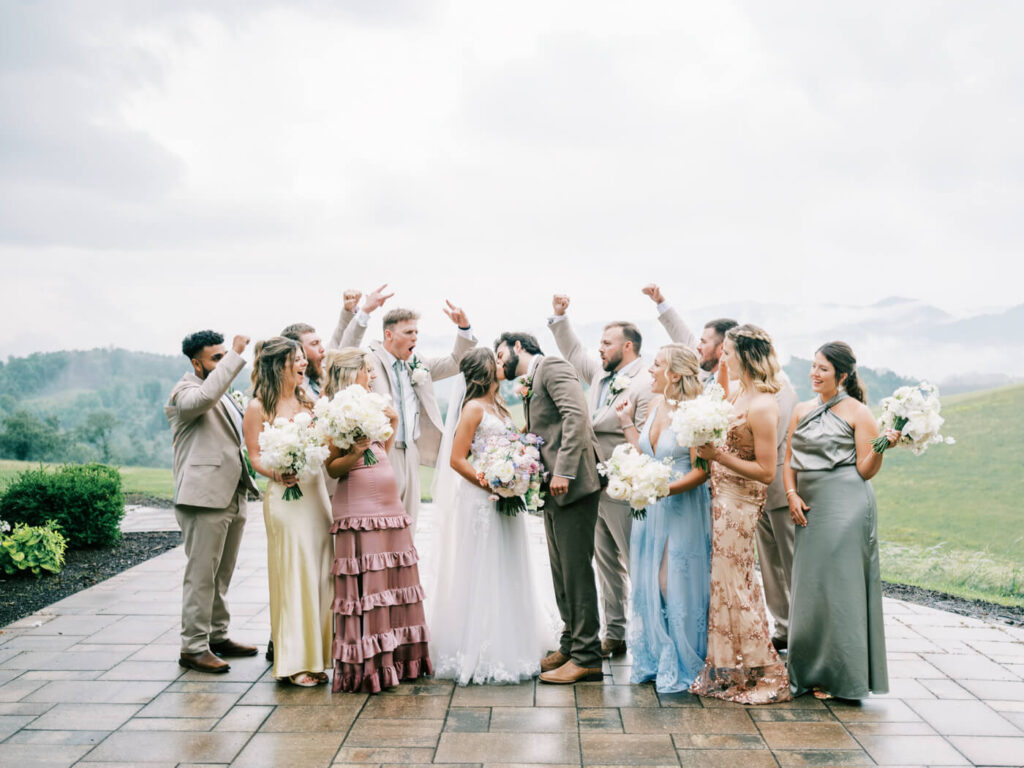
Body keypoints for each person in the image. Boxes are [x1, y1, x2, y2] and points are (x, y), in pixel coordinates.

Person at [427, 347, 558, 684]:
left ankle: (513, 638)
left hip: (505, 497)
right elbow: (457, 459)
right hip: (482, 500)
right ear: (483, 373)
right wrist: (491, 484)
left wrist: (519, 468)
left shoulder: (498, 405)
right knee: (485, 567)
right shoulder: (472, 409)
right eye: (496, 362)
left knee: (509, 565)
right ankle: (484, 647)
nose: (503, 365)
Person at [784, 342, 895, 700]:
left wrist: (880, 449)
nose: (814, 374)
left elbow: (865, 469)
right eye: (813, 366)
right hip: (809, 505)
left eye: (823, 369)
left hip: (847, 506)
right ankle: (807, 671)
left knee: (840, 590)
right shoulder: (801, 409)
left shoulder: (858, 412)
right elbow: (788, 461)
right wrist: (791, 494)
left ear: (842, 375)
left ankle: (839, 676)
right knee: (810, 588)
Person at [689, 324, 791, 704]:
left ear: (745, 356)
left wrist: (719, 456)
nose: (723, 358)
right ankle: (735, 667)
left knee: (736, 584)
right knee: (726, 584)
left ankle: (764, 668)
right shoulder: (733, 395)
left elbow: (767, 471)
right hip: (720, 496)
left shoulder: (764, 404)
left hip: (741, 503)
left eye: (728, 352)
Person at [547, 294, 653, 658]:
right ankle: (616, 633)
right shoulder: (600, 376)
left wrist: (628, 478)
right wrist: (560, 318)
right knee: (605, 564)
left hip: (623, 486)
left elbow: (644, 435)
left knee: (634, 560)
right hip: (593, 484)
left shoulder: (645, 382)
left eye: (607, 343)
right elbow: (575, 353)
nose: (600, 348)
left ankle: (648, 634)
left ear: (627, 346)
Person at [495, 332, 604, 685]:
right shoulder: (533, 379)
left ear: (517, 347)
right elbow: (547, 427)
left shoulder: (554, 366)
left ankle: (588, 657)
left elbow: (576, 417)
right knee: (561, 571)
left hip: (572, 484)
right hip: (553, 489)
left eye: (500, 354)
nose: (500, 362)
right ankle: (571, 643)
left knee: (576, 571)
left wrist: (564, 471)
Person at [322, 348, 432, 693]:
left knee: (392, 582)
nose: (371, 375)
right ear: (350, 373)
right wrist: (354, 451)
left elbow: (380, 447)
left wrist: (393, 422)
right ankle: (370, 667)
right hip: (358, 504)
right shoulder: (333, 409)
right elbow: (333, 467)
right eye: (366, 369)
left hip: (388, 502)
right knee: (370, 585)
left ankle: (401, 659)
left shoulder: (372, 402)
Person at [615, 344, 711, 692]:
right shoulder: (656, 405)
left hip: (681, 506)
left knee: (672, 582)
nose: (650, 371)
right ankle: (655, 657)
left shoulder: (694, 412)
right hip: (651, 508)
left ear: (674, 374)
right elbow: (646, 453)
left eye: (656, 365)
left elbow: (702, 471)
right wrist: (626, 423)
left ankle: (684, 659)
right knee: (648, 581)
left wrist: (664, 491)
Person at [166, 330, 259, 673]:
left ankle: (217, 636)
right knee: (201, 575)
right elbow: (202, 399)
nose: (223, 361)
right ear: (196, 363)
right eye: (216, 358)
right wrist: (235, 356)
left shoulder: (220, 391)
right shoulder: (184, 392)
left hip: (231, 492)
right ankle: (192, 646)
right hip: (202, 498)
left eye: (224, 355)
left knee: (222, 573)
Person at [243, 337, 333, 687]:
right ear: (278, 365)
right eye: (296, 359)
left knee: (322, 570)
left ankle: (319, 657)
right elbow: (254, 456)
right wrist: (277, 471)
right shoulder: (258, 407)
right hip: (285, 496)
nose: (302, 364)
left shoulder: (307, 400)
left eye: (302, 359)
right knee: (294, 573)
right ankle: (295, 662)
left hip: (315, 493)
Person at [363, 302, 477, 529]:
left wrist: (464, 328)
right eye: (408, 332)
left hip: (412, 450)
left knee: (408, 521)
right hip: (382, 449)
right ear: (388, 334)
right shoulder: (368, 360)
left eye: (416, 332)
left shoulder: (418, 363)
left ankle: (404, 564)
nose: (415, 337)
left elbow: (456, 362)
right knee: (382, 521)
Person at [642, 284, 735, 390]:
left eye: (704, 342)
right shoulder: (703, 366)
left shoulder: (735, 386)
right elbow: (682, 334)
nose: (698, 347)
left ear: (722, 348)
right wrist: (659, 301)